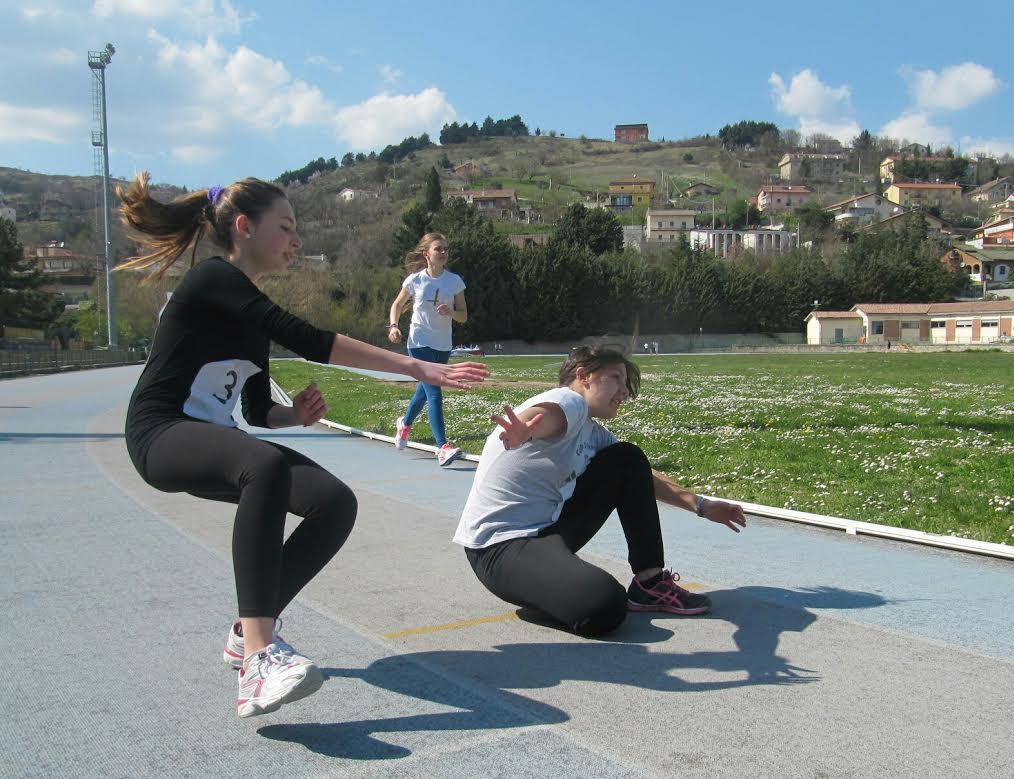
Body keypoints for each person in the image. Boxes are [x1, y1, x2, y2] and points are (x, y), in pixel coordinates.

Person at [117, 174, 486, 718]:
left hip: (214, 436)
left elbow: (256, 409)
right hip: (158, 433)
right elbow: (310, 340)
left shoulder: (245, 311)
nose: (294, 240)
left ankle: (246, 630)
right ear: (244, 228)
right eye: (285, 228)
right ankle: (260, 659)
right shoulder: (212, 281)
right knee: (262, 465)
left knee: (334, 503)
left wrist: (295, 415)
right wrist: (413, 364)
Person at [453, 346, 746, 637]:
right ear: (584, 376)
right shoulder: (568, 401)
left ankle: (650, 583)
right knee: (605, 606)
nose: (625, 391)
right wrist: (528, 429)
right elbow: (548, 415)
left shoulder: (591, 432)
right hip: (498, 549)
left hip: (544, 533)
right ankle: (554, 593)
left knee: (627, 459)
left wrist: (701, 505)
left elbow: (642, 476)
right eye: (616, 377)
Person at [387, 233, 468, 466]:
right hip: (419, 342)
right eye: (438, 249)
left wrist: (451, 312)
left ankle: (405, 423)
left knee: (424, 391)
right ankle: (442, 447)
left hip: (442, 344)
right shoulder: (415, 280)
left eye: (445, 249)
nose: (443, 253)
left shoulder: (454, 281)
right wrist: (393, 326)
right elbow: (397, 305)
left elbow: (463, 316)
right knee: (434, 392)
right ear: (426, 254)